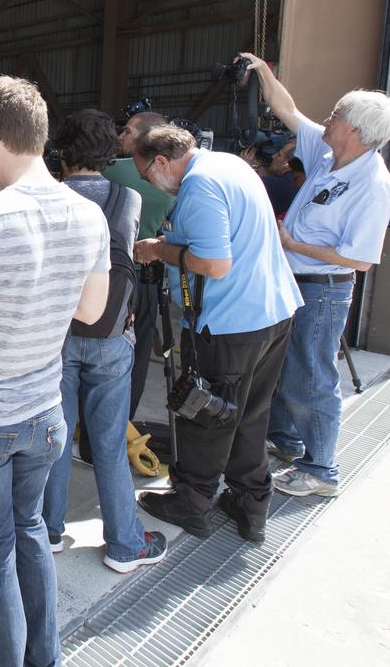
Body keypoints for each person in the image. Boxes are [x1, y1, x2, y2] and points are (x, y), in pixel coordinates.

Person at [0, 76, 111, 667]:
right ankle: (46, 658)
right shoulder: (89, 215)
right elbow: (91, 311)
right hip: (45, 416)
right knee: (31, 529)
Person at [239, 54, 390, 499]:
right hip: (296, 281)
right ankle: (289, 442)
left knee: (312, 376)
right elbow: (288, 109)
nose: (327, 119)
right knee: (286, 368)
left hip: (323, 290)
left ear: (355, 129)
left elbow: (361, 260)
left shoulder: (372, 184)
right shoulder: (328, 155)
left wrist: (293, 244)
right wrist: (263, 72)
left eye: (335, 115)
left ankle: (322, 469)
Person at [131, 124, 301, 544]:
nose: (150, 184)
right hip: (272, 311)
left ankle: (192, 502)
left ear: (162, 162)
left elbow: (214, 263)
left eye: (145, 174)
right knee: (249, 414)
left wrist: (157, 249)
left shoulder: (200, 185)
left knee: (206, 413)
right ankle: (251, 503)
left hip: (229, 323)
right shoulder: (229, 164)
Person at [42, 109, 167, 574]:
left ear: (63, 152)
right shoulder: (128, 198)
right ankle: (124, 543)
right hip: (114, 333)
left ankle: (49, 531)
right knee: (110, 443)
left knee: (55, 437)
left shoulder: (46, 200)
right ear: (111, 149)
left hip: (55, 335)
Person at [106, 111, 175, 420]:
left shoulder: (112, 171)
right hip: (148, 277)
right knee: (139, 353)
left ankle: (95, 430)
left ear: (147, 139)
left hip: (111, 278)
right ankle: (124, 421)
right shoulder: (173, 181)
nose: (121, 135)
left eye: (129, 131)